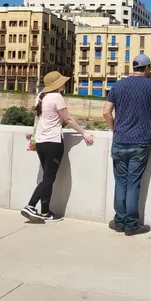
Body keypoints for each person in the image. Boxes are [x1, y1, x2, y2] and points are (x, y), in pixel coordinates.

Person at [21, 71, 94, 223]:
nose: (64, 84)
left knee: (48, 177)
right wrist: (83, 133)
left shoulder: (40, 96)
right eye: (62, 82)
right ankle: (30, 206)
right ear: (58, 84)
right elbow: (67, 119)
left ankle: (45, 212)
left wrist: (32, 133)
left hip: (40, 142)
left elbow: (40, 119)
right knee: (49, 178)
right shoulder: (57, 97)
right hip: (53, 142)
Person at [103, 54, 151, 236]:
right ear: (147, 68)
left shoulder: (118, 85)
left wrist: (115, 129)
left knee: (120, 182)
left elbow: (106, 112)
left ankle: (119, 221)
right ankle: (132, 225)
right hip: (141, 141)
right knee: (133, 183)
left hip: (120, 140)